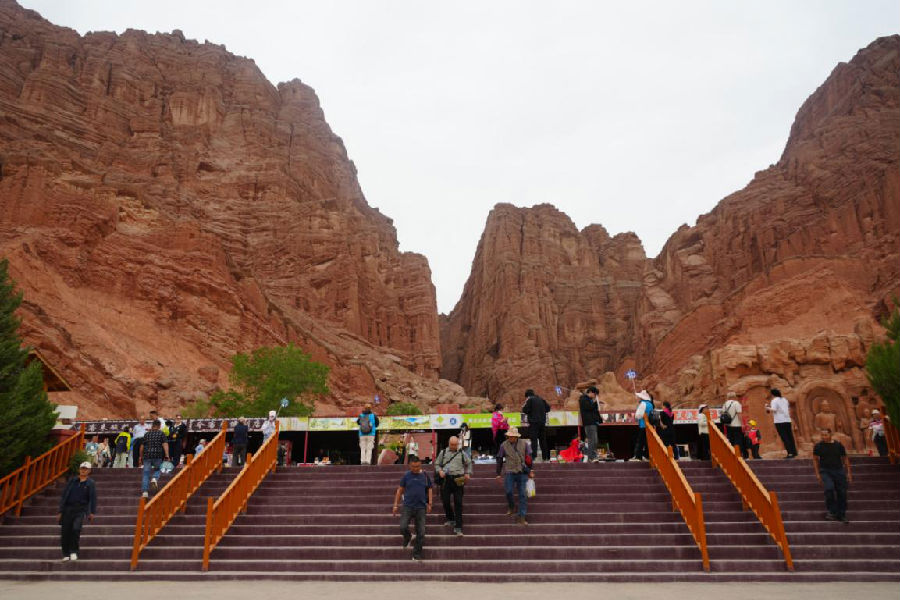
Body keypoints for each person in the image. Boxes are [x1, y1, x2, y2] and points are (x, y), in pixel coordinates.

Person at [392, 455, 433, 561]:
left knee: (421, 532)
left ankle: (416, 554)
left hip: (421, 507)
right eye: (414, 467)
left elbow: (429, 489)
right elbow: (400, 490)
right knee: (403, 527)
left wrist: (430, 503)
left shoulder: (424, 475)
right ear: (410, 466)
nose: (416, 469)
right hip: (408, 506)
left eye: (418, 466)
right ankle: (408, 536)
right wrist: (396, 505)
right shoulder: (406, 476)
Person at [435, 436, 474, 536]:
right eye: (451, 444)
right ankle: (450, 518)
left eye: (455, 444)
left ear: (458, 444)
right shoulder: (443, 452)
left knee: (458, 502)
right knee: (445, 501)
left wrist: (468, 473)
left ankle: (458, 527)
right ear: (449, 443)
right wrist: (439, 471)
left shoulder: (461, 453)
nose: (453, 446)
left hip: (458, 479)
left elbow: (469, 463)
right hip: (446, 480)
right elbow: (437, 464)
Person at [58, 461, 97, 561]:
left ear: (89, 471)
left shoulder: (90, 483)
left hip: (80, 509)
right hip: (68, 508)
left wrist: (92, 512)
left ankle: (74, 551)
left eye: (85, 469)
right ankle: (66, 553)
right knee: (65, 531)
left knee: (76, 529)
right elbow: (65, 495)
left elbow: (92, 498)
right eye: (82, 468)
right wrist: (60, 510)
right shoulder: (72, 481)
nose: (83, 471)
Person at [495, 427, 534, 525]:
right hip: (509, 471)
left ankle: (522, 516)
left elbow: (529, 458)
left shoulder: (525, 444)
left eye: (513, 436)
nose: (511, 438)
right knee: (508, 491)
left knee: (523, 494)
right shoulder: (503, 445)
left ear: (516, 437)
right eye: (509, 436)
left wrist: (531, 470)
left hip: (522, 472)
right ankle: (511, 506)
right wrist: (498, 474)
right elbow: (499, 459)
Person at [813, 428, 852, 523]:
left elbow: (845, 458)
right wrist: (817, 474)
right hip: (825, 471)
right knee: (829, 489)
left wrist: (849, 473)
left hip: (839, 470)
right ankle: (832, 511)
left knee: (842, 492)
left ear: (831, 435)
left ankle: (841, 514)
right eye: (822, 435)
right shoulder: (818, 446)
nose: (823, 437)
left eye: (825, 435)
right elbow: (815, 460)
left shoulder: (838, 445)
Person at [140, 420, 169, 499]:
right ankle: (154, 478)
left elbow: (142, 447)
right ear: (159, 426)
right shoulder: (161, 434)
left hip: (147, 456)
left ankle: (145, 492)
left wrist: (140, 456)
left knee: (146, 474)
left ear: (152, 426)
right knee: (158, 469)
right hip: (157, 455)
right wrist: (167, 455)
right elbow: (165, 444)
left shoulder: (146, 434)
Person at [766, 388, 797, 458]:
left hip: (779, 421)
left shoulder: (774, 400)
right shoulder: (784, 399)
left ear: (772, 394)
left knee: (784, 437)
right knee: (790, 436)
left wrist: (767, 408)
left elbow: (774, 409)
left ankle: (790, 453)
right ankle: (794, 452)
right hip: (787, 420)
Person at [522, 389, 551, 462]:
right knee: (543, 440)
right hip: (542, 422)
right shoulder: (541, 399)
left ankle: (534, 457)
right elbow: (548, 408)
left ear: (527, 396)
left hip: (534, 423)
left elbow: (525, 410)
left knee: (534, 440)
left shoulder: (530, 400)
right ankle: (545, 458)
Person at [579, 386, 602, 462]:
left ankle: (592, 456)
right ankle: (592, 457)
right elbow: (589, 408)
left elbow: (593, 410)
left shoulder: (589, 400)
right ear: (591, 392)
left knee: (595, 440)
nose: (595, 396)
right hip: (589, 423)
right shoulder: (583, 399)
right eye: (595, 394)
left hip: (593, 422)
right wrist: (595, 402)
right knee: (592, 440)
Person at [721, 392, 746, 458]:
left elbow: (723, 413)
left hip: (728, 425)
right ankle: (738, 455)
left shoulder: (725, 404)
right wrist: (742, 424)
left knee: (730, 439)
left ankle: (731, 454)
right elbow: (739, 414)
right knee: (738, 440)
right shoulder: (736, 403)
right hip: (736, 425)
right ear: (734, 396)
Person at [632, 391, 654, 461]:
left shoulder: (643, 404)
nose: (638, 398)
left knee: (640, 441)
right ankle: (647, 456)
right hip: (649, 426)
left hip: (643, 425)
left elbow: (638, 415)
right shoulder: (650, 404)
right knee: (647, 442)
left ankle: (638, 456)